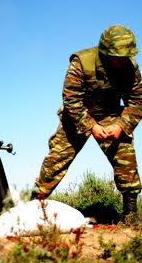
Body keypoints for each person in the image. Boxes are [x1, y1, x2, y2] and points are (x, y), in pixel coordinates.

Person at [31, 24, 142, 219]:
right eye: (119, 57)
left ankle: (131, 214)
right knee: (56, 160)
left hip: (110, 115)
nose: (123, 61)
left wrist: (121, 125)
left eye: (126, 56)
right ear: (106, 53)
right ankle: (32, 209)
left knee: (125, 155)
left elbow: (137, 101)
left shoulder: (130, 68)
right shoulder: (81, 62)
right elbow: (71, 99)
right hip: (77, 116)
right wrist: (91, 126)